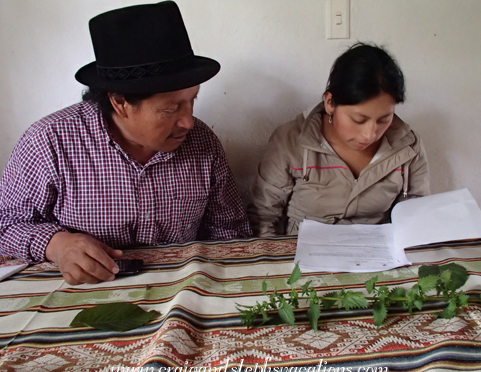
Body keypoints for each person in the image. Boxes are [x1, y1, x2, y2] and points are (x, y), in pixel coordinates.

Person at [0, 1, 251, 285]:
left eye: (192, 100)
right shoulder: (49, 143)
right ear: (120, 102)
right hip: (81, 295)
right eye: (170, 109)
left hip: (181, 293)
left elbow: (230, 231)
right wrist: (58, 245)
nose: (188, 122)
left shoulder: (202, 142)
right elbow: (5, 226)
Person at [248, 43, 430, 236]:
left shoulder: (407, 146)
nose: (370, 134)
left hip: (375, 257)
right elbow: (263, 217)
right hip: (302, 257)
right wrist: (282, 264)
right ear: (330, 103)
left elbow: (414, 217)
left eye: (384, 119)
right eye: (358, 120)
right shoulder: (291, 142)